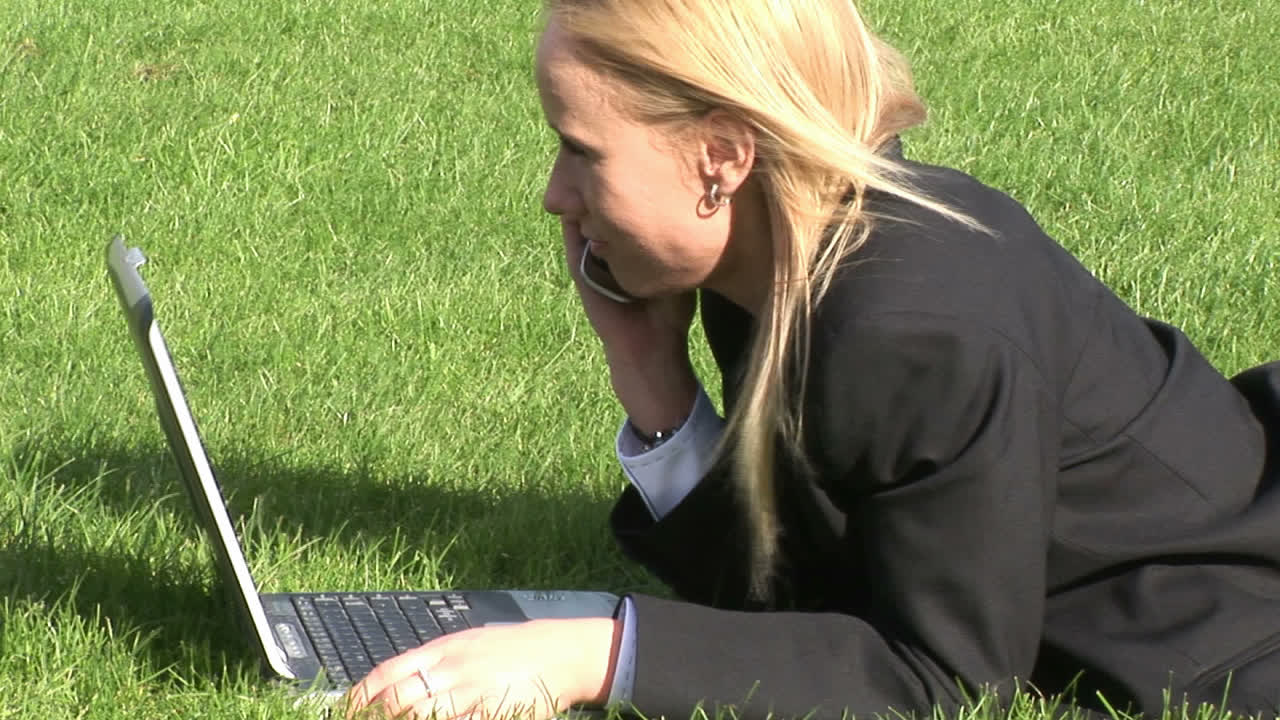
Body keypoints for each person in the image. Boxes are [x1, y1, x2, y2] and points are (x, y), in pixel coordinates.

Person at [346, 0, 1280, 718]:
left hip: (1219, 625)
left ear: (721, 158)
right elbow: (799, 585)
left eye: (581, 151)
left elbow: (941, 677)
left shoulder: (912, 331)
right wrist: (648, 371)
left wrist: (594, 654)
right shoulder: (786, 247)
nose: (556, 196)